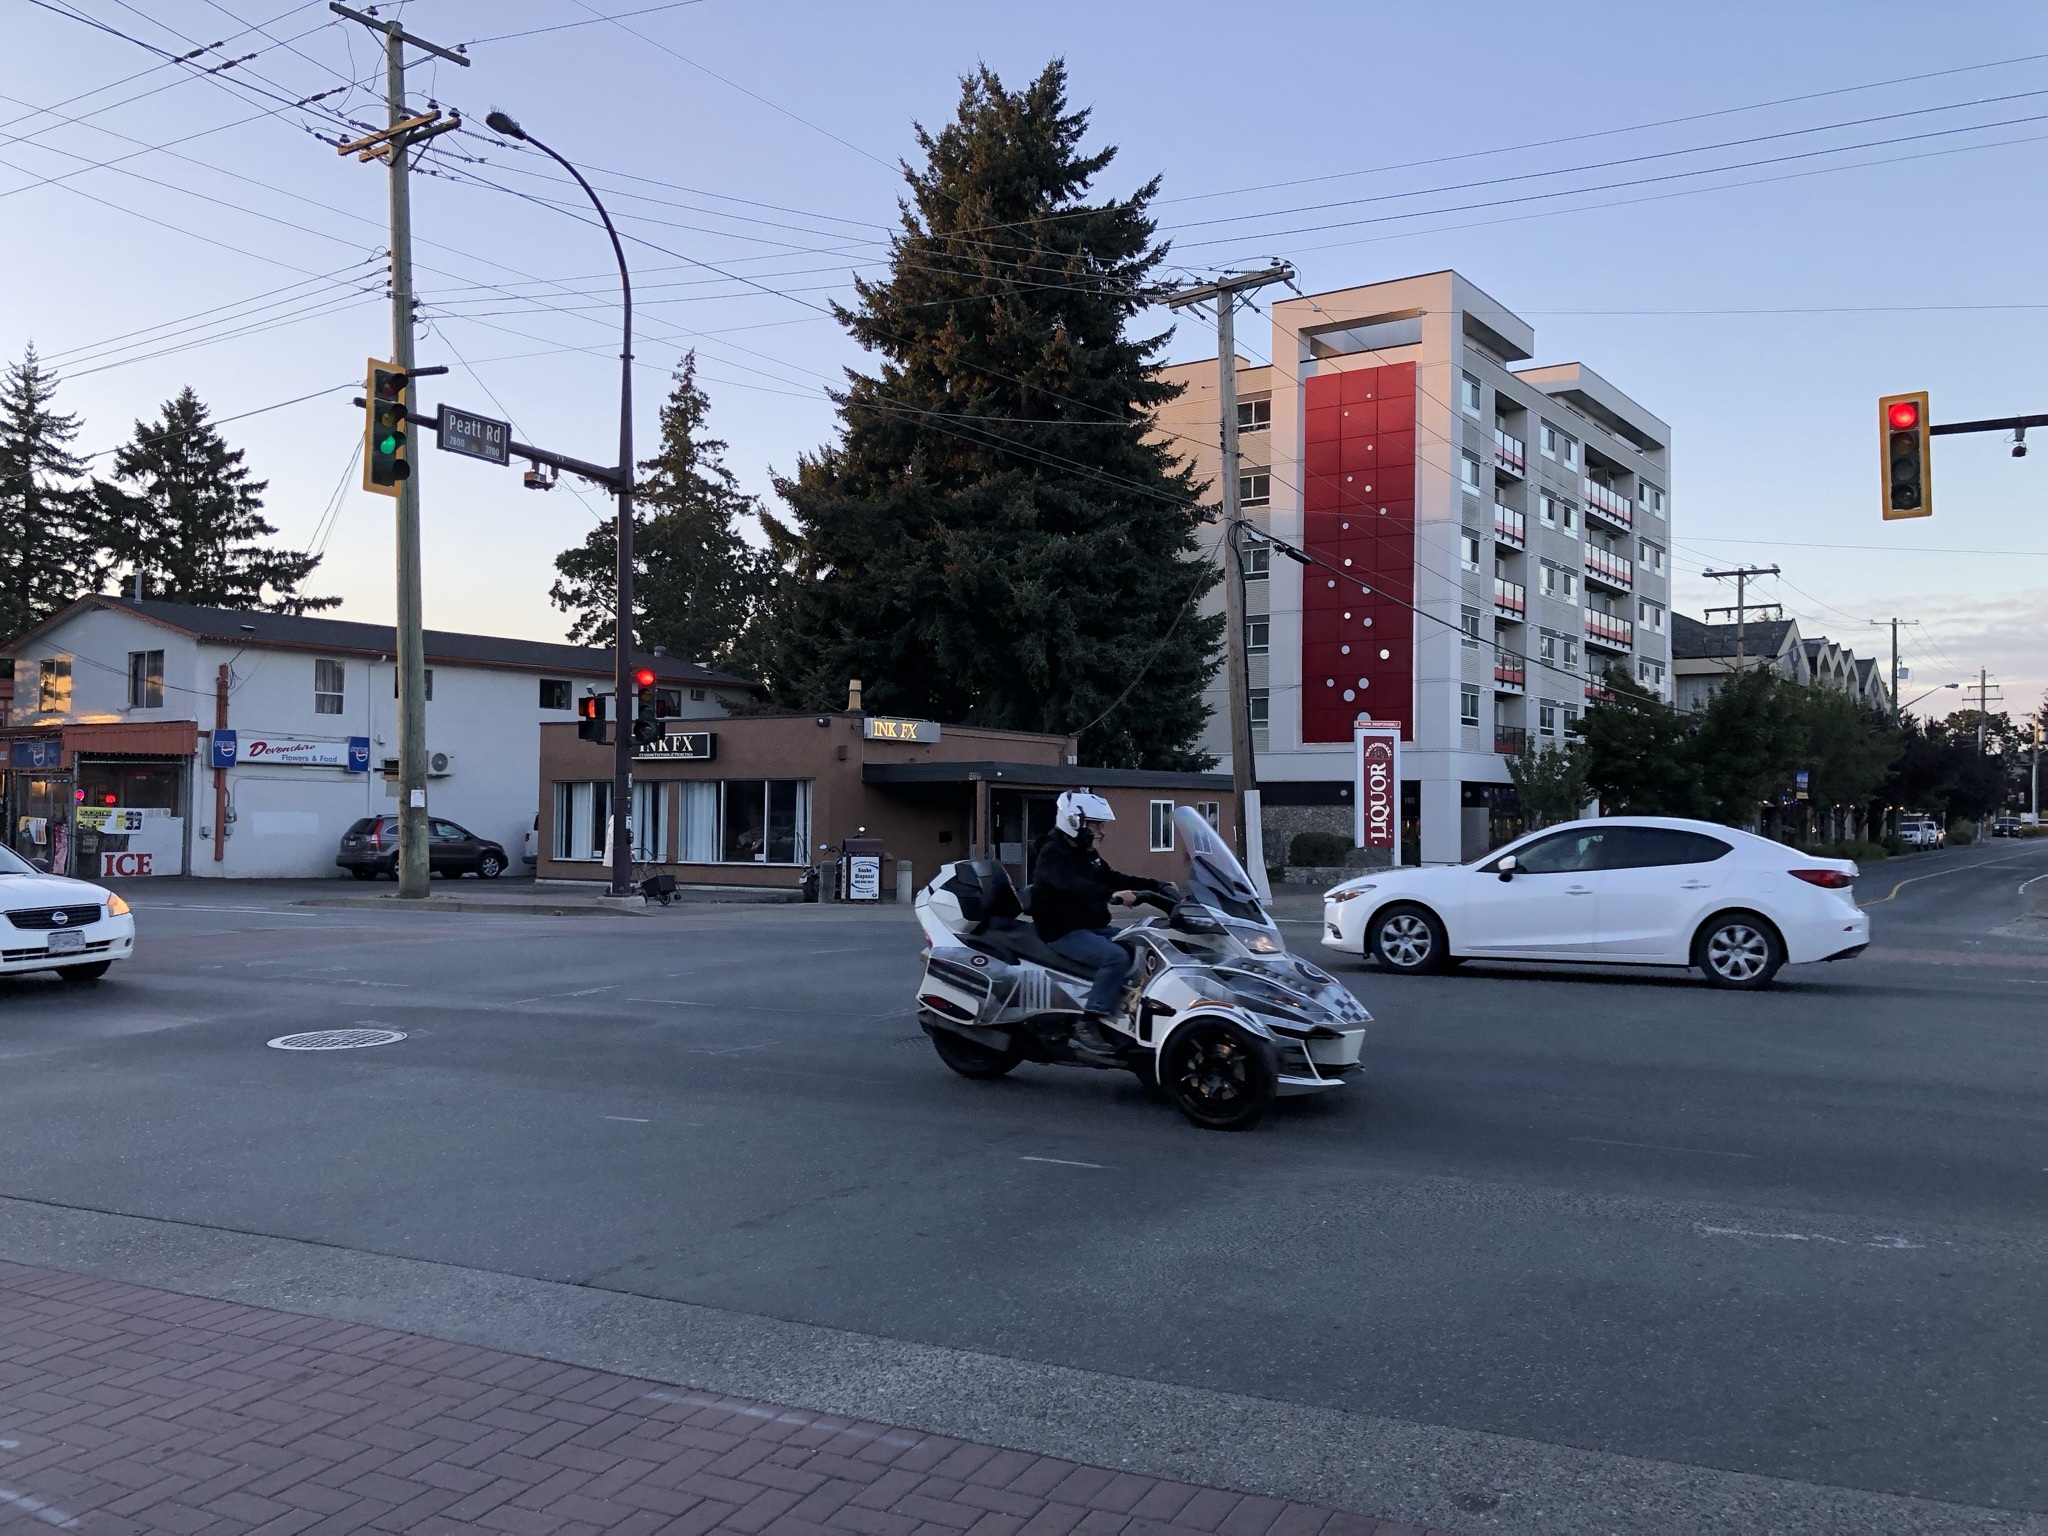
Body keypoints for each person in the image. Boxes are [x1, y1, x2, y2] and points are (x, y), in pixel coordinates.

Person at [1029, 791, 1168, 1054]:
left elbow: (1111, 877)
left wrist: (1156, 886)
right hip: (1062, 931)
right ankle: (1089, 1022)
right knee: (1115, 958)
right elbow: (1070, 886)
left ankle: (1128, 1014)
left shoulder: (1085, 852)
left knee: (1142, 944)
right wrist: (1110, 895)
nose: (1102, 831)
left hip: (1091, 926)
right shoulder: (1052, 853)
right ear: (1075, 822)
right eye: (1096, 825)